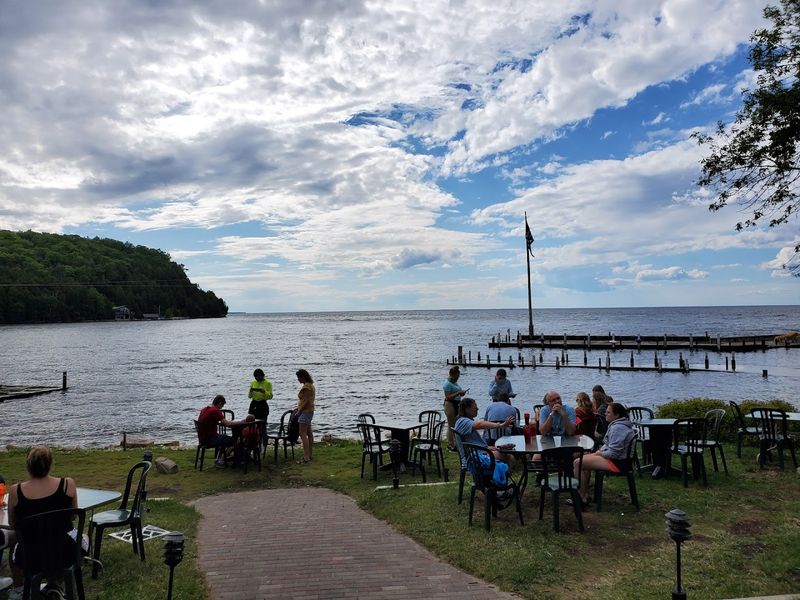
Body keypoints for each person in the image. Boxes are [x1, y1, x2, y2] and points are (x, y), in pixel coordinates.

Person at [6, 446, 78, 600]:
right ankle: (56, 584)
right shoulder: (68, 484)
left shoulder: (15, 491)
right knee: (80, 537)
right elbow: (72, 516)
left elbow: (13, 525)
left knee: (14, 542)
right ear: (51, 463)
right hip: (63, 552)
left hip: (30, 556)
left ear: (28, 466)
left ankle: (20, 588)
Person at [573, 402, 636, 507]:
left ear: (616, 415)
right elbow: (608, 445)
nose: (605, 414)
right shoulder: (618, 425)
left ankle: (580, 497)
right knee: (581, 460)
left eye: (608, 412)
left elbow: (614, 453)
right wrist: (599, 452)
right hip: (617, 459)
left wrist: (600, 453)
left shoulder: (618, 428)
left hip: (618, 463)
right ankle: (584, 495)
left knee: (577, 463)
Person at [453, 398, 515, 465]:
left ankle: (499, 474)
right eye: (475, 407)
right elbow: (480, 424)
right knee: (508, 456)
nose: (477, 409)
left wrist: (488, 447)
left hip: (477, 453)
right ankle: (497, 474)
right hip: (473, 458)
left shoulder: (463, 421)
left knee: (507, 454)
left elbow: (472, 441)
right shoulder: (462, 421)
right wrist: (500, 425)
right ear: (467, 409)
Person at [197, 395, 255, 467]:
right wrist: (242, 422)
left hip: (203, 439)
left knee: (224, 437)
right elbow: (228, 424)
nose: (221, 408)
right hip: (211, 439)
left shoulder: (205, 409)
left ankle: (221, 458)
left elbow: (213, 421)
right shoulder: (215, 411)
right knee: (234, 440)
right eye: (222, 406)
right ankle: (226, 460)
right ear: (220, 403)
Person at [443, 366, 468, 451]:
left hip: (456, 404)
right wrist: (458, 393)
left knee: (455, 424)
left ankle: (454, 442)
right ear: (452, 375)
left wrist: (461, 393)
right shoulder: (447, 384)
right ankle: (451, 445)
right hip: (450, 404)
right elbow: (448, 397)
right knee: (451, 425)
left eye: (458, 376)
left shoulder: (454, 383)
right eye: (456, 376)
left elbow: (456, 392)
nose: (457, 378)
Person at [295, 369, 316, 463]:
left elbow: (306, 400)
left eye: (299, 378)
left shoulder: (307, 387)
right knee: (309, 433)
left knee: (302, 433)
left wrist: (299, 411)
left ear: (303, 377)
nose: (298, 380)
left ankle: (306, 457)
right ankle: (309, 454)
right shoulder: (310, 385)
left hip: (305, 411)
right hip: (309, 411)